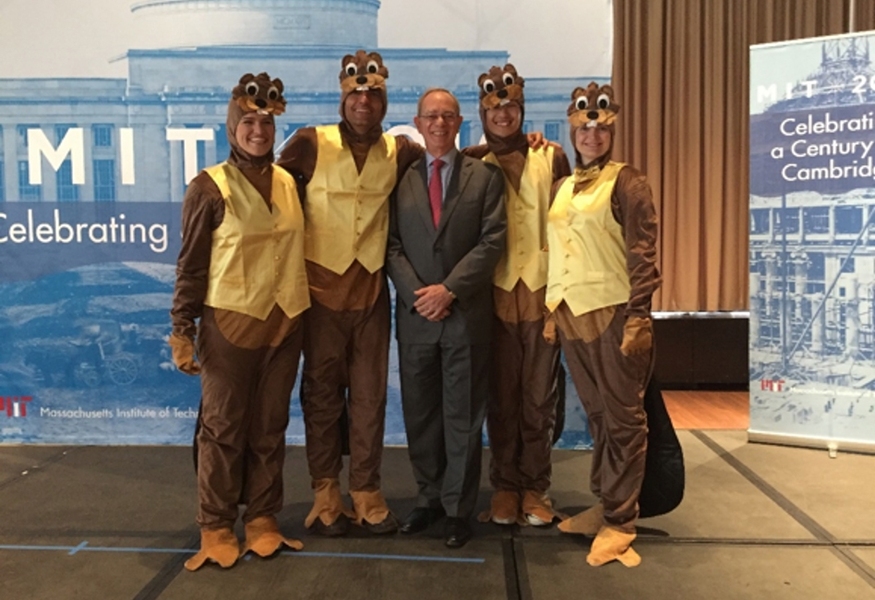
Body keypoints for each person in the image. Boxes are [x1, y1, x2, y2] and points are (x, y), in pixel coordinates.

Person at [276, 50, 423, 536]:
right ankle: (325, 491)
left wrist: (513, 148)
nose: (364, 102)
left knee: (369, 397)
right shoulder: (309, 142)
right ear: (343, 97)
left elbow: (449, 164)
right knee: (321, 395)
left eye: (373, 95)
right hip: (319, 293)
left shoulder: (401, 150)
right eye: (356, 94)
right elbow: (268, 187)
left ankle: (366, 489)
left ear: (384, 102)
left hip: (370, 294)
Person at [169, 72, 309, 570]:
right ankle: (215, 524)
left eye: (266, 123)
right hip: (229, 326)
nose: (258, 131)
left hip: (285, 325)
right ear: (232, 127)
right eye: (248, 122)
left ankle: (264, 518)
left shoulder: (290, 182)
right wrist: (181, 329)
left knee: (270, 427)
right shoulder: (208, 187)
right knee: (223, 429)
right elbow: (191, 265)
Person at [385, 88, 507, 549]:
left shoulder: (485, 178)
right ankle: (429, 498)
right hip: (416, 316)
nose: (439, 123)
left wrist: (449, 290)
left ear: (459, 123)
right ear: (417, 123)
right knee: (420, 415)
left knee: (463, 418)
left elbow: (492, 241)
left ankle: (457, 509)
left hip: (465, 317)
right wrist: (419, 295)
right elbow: (390, 245)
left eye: (448, 116)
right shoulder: (399, 179)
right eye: (431, 116)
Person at [548, 82, 660, 567]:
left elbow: (643, 253)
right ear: (573, 130)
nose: (592, 135)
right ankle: (605, 503)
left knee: (623, 419)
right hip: (571, 315)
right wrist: (552, 309)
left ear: (611, 130)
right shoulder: (562, 185)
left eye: (600, 128)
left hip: (614, 314)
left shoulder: (628, 182)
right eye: (583, 128)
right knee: (598, 415)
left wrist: (639, 314)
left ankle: (621, 518)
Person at [462, 64, 571, 527]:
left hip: (542, 296)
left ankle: (536, 487)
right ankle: (504, 486)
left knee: (539, 399)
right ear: (482, 113)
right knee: (502, 399)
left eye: (511, 107)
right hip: (495, 298)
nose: (503, 114)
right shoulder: (472, 163)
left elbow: (568, 226)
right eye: (494, 108)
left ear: (522, 110)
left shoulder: (552, 157)